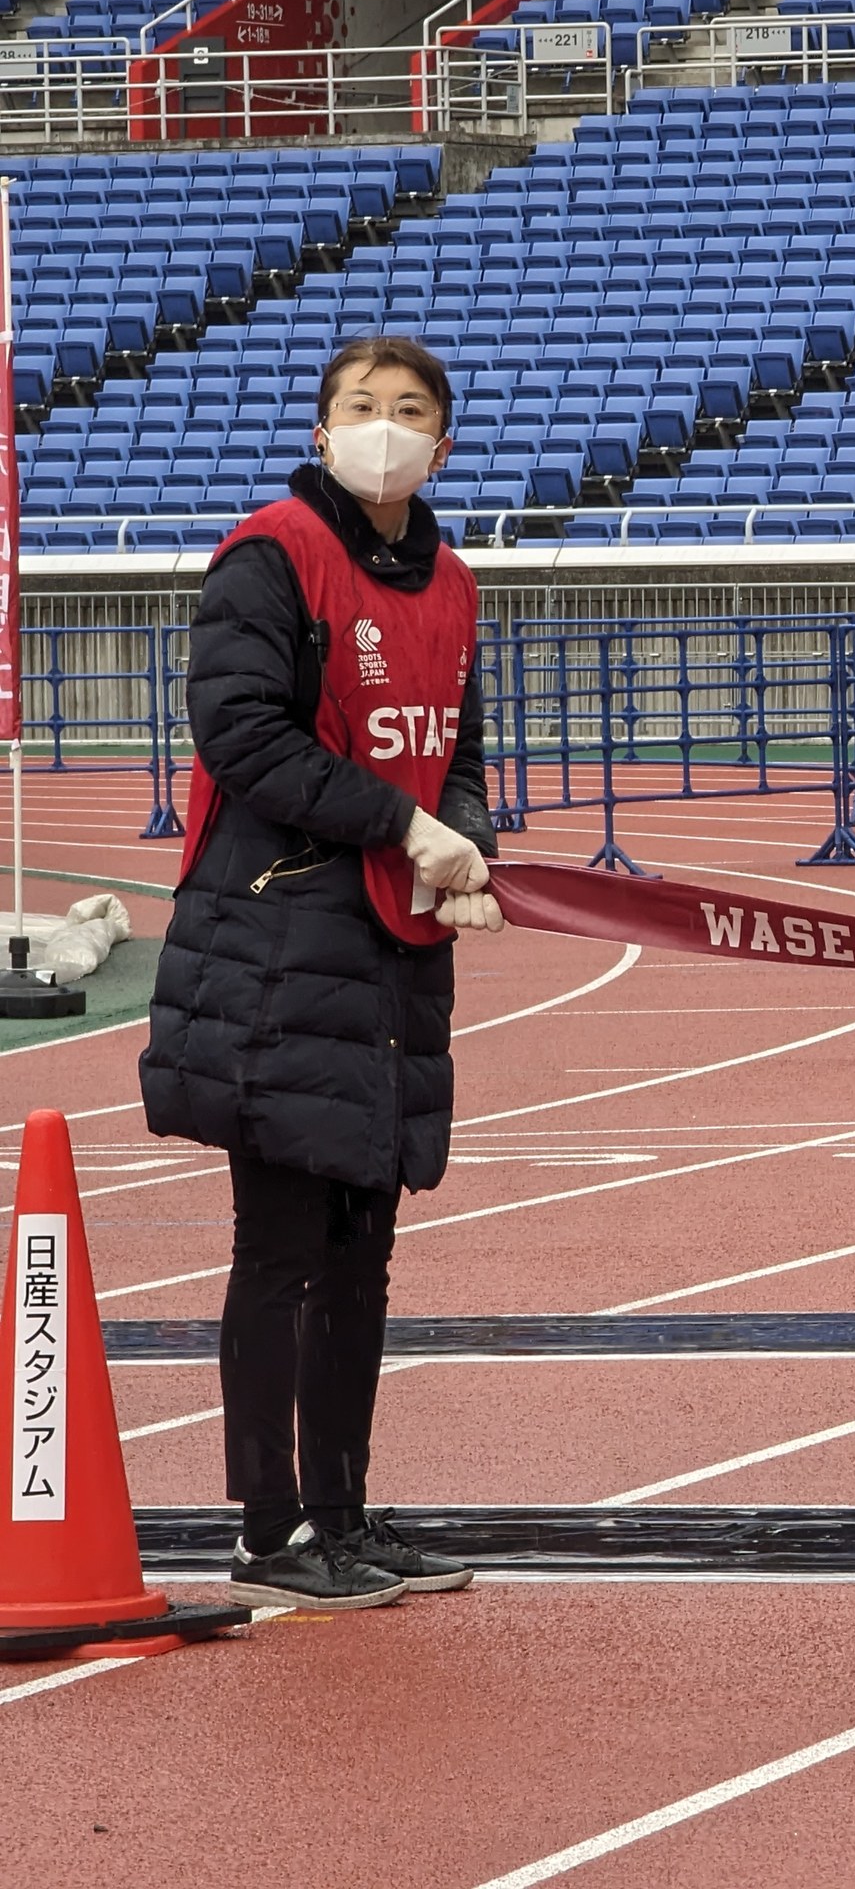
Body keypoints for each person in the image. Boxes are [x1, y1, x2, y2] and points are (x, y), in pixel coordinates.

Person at [140, 335, 501, 1613]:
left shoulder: (453, 579)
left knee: (366, 1246)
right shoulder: (271, 555)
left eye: (410, 410)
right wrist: (403, 828)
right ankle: (266, 1530)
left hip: (391, 948)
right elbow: (241, 734)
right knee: (283, 1243)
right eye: (361, 407)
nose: (385, 427)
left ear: (444, 444)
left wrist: (465, 844)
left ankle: (343, 1514)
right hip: (277, 939)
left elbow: (457, 745)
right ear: (321, 425)